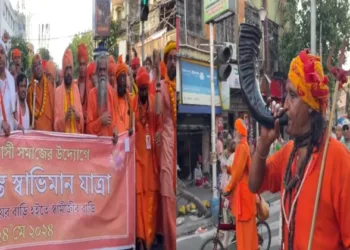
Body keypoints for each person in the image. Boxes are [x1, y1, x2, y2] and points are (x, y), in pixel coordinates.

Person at [248, 50, 350, 250]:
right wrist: (263, 143)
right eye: (287, 94)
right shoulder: (289, 152)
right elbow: (253, 185)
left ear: (311, 105)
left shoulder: (339, 160)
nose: (284, 105)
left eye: (293, 96)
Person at [133, 66, 161, 250]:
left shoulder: (152, 102)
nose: (143, 93)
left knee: (150, 201)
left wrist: (158, 132)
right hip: (137, 162)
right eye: (141, 90)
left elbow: (159, 122)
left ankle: (149, 239)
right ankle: (141, 238)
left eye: (145, 89)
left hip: (150, 163)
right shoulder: (132, 104)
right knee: (139, 202)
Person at [223, 119, 258, 250]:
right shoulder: (241, 147)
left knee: (246, 239)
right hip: (242, 197)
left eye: (235, 130)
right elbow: (237, 169)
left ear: (239, 132)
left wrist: (227, 188)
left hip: (244, 198)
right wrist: (228, 169)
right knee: (243, 238)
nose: (234, 132)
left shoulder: (243, 148)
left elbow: (237, 173)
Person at [155, 40, 177, 250]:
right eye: (170, 59)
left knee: (171, 197)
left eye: (175, 59)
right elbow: (156, 115)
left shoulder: (180, 86)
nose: (173, 63)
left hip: (175, 146)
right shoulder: (162, 87)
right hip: (166, 149)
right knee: (167, 196)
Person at [86, 55, 117, 137]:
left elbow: (116, 122)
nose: (102, 73)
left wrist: (115, 129)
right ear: (96, 72)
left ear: (107, 72)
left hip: (110, 145)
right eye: (100, 70)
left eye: (104, 70)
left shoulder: (113, 93)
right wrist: (100, 121)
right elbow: (88, 128)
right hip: (97, 145)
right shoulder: (92, 94)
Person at [54, 48, 83, 133]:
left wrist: (78, 116)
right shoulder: (57, 92)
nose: (69, 72)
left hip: (76, 141)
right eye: (67, 69)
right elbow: (55, 124)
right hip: (62, 143)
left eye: (71, 68)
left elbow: (81, 119)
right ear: (63, 71)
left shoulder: (76, 90)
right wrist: (65, 118)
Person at [27, 54, 55, 131]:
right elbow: (29, 114)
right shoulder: (30, 90)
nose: (38, 67)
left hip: (49, 130)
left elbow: (53, 109)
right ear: (33, 70)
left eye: (39, 64)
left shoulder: (49, 86)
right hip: (35, 132)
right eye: (35, 66)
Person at [0, 40, 16, 136]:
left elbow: (11, 111)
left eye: (2, 52)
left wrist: (17, 125)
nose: (0, 56)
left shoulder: (11, 80)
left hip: (10, 139)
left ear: (5, 56)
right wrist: (1, 122)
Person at [114, 56, 133, 134]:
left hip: (127, 142)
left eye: (124, 77)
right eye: (120, 77)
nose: (122, 80)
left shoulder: (129, 100)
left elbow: (133, 123)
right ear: (116, 79)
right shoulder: (112, 98)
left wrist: (131, 129)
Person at [76, 44, 93, 132]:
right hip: (77, 127)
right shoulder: (74, 85)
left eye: (84, 64)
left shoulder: (91, 86)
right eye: (80, 64)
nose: (82, 67)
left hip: (88, 128)